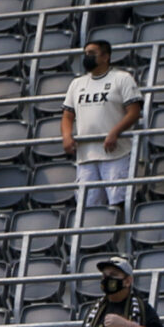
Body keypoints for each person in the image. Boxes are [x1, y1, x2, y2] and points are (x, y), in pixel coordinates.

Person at [61, 37, 141, 216]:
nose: (87, 57)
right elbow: (67, 115)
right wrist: (67, 136)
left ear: (106, 57)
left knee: (118, 203)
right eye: (86, 54)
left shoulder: (121, 78)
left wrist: (115, 132)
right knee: (88, 208)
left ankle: (121, 240)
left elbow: (134, 112)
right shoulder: (77, 83)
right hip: (86, 155)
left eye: (92, 53)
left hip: (115, 153)